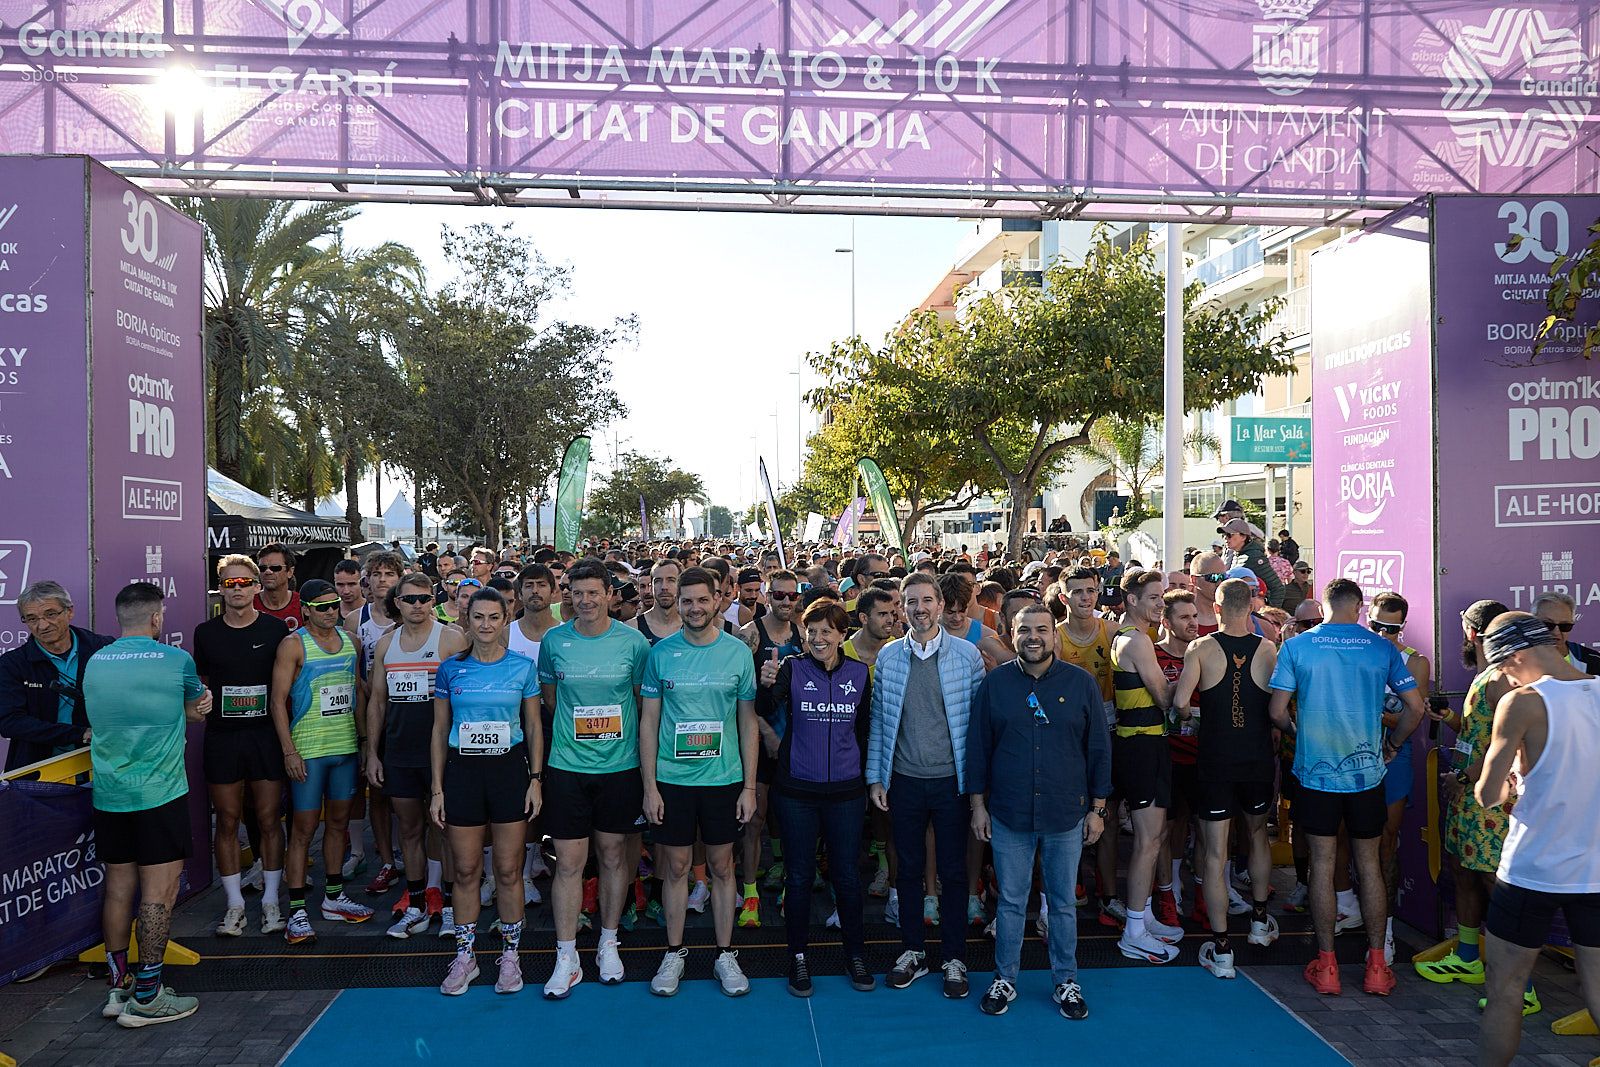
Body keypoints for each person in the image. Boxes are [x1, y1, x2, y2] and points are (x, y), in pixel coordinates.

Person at [1267, 578, 1425, 996]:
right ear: (1358, 606)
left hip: (1315, 773)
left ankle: (1328, 965)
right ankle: (1376, 966)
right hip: (1367, 775)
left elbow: (1276, 710)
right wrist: (1393, 745)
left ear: (1327, 604)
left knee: (1323, 864)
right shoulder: (1382, 648)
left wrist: (1298, 731)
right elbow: (1416, 707)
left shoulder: (1298, 646)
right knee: (1369, 864)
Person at [969, 603, 1109, 1020]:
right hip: (1009, 813)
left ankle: (1066, 980)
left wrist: (1098, 808)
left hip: (1066, 812)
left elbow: (1099, 750)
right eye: (1024, 629)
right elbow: (978, 749)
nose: (1034, 637)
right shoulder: (994, 685)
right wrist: (978, 805)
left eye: (1042, 629)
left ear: (1055, 635)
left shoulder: (1081, 683)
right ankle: (1005, 978)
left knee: (1063, 903)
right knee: (1010, 902)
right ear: (1011, 634)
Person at [1474, 612, 1600, 1066]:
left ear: (1519, 654)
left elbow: (1488, 795)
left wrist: (1512, 778)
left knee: (1505, 992)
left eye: (1503, 665)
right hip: (1596, 869)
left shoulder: (1523, 702)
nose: (1503, 676)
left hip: (1532, 867)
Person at [85, 582, 209, 1027]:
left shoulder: (96, 662)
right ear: (157, 618)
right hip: (160, 794)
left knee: (119, 888)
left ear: (121, 618)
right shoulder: (176, 660)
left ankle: (118, 989)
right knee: (159, 894)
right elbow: (198, 709)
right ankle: (150, 995)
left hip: (110, 795)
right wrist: (192, 708)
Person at [640, 566, 759, 998]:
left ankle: (725, 954)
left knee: (723, 866)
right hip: (672, 780)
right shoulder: (660, 654)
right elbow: (648, 722)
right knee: (673, 867)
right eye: (686, 600)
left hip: (723, 780)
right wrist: (650, 786)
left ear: (718, 600)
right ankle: (674, 952)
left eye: (701, 600)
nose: (693, 608)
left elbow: (747, 723)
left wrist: (748, 786)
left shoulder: (737, 653)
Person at [867, 573, 985, 998]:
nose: (919, 608)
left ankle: (954, 957)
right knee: (909, 871)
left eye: (927, 600)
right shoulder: (888, 657)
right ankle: (913, 951)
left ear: (941, 605)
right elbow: (881, 721)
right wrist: (876, 777)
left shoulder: (968, 655)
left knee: (953, 873)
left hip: (952, 783)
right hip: (904, 781)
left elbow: (977, 727)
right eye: (911, 601)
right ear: (903, 607)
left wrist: (976, 787)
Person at [538, 559, 652, 999]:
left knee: (612, 857)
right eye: (576, 592)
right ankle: (566, 956)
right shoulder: (554, 640)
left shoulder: (633, 643)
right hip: (567, 767)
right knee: (568, 863)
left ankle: (608, 942)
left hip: (620, 768)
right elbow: (551, 700)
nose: (584, 600)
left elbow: (643, 703)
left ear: (609, 594)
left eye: (593, 593)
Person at [430, 587, 544, 995]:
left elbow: (533, 726)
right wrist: (438, 789)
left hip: (508, 772)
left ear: (505, 619)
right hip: (463, 773)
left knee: (509, 871)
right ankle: (466, 956)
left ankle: (510, 957)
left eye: (494, 617)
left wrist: (536, 779)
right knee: (464, 871)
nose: (486, 625)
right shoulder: (450, 669)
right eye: (478, 617)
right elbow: (440, 730)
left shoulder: (522, 668)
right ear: (467, 620)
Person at [759, 599, 876, 996]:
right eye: (812, 631)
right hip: (797, 792)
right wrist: (766, 683)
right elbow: (764, 707)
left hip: (844, 792)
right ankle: (798, 957)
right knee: (799, 876)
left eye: (827, 631)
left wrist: (864, 779)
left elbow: (863, 731)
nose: (818, 638)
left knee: (846, 876)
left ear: (843, 635)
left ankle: (855, 954)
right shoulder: (792, 667)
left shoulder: (860, 673)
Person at [1418, 601, 1527, 1004]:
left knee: (1492, 881)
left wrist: (1465, 776)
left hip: (1490, 798)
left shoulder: (1502, 680)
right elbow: (1478, 732)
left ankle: (1522, 985)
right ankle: (1468, 957)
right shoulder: (1486, 675)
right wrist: (1448, 718)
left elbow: (1508, 741)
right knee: (1462, 869)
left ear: (1471, 633)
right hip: (1466, 794)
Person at [1173, 578, 1281, 979]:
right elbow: (1276, 703)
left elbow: (1182, 702)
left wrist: (1196, 719)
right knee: (1256, 837)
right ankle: (1258, 923)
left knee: (1215, 854)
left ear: (1216, 608)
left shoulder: (1200, 648)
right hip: (1255, 759)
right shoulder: (1268, 649)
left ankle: (1222, 952)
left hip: (1216, 760)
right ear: (1251, 607)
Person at [269, 579, 373, 945]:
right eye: (323, 607)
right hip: (309, 750)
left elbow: (358, 695)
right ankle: (296, 909)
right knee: (302, 830)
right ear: (306, 610)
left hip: (344, 748)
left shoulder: (352, 642)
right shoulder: (293, 645)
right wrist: (289, 751)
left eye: (335, 606)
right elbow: (277, 702)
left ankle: (333, 898)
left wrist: (362, 742)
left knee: (339, 825)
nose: (332, 612)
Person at [366, 573, 468, 939]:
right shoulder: (386, 644)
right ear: (397, 603)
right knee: (409, 830)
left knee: (448, 829)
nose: (418, 606)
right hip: (400, 751)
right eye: (410, 600)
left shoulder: (451, 638)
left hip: (444, 753)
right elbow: (377, 702)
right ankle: (415, 903)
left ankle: (456, 908)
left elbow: (465, 696)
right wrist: (373, 754)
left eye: (425, 599)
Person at [193, 556, 290, 937]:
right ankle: (234, 904)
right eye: (229, 584)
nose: (237, 590)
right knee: (228, 819)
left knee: (268, 819)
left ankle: (270, 901)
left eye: (244, 583)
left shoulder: (276, 628)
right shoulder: (205, 632)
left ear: (256, 587)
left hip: (264, 736)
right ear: (221, 589)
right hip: (222, 738)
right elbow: (200, 683)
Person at [1109, 570, 1184, 964]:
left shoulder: (1132, 637)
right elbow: (1164, 697)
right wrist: (1195, 664)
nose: (1161, 604)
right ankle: (1134, 929)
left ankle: (1144, 917)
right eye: (1154, 597)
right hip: (1140, 745)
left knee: (1152, 839)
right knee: (1148, 840)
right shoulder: (1136, 640)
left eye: (1162, 597)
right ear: (1133, 600)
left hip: (1144, 743)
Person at [1368, 590, 1432, 964]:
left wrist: (1372, 716)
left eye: (1391, 629)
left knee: (1387, 839)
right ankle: (1355, 908)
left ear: (1402, 627)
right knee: (1346, 836)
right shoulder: (1361, 649)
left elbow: (1414, 713)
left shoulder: (1415, 661)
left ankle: (1386, 929)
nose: (1383, 633)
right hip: (1356, 750)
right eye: (1376, 625)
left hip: (1395, 753)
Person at [740, 568, 803, 927]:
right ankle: (750, 893)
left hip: (793, 741)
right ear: (766, 595)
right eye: (778, 595)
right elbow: (743, 697)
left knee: (793, 819)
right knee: (755, 819)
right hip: (760, 741)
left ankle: (790, 888)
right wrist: (766, 733)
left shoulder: (805, 635)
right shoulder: (750, 635)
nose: (785, 601)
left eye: (791, 596)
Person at [0, 581, 112, 771]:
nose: (42, 625)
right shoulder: (12, 664)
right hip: (39, 772)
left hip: (102, 765)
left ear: (70, 611)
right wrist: (79, 734)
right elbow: (9, 723)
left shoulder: (103, 649)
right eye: (32, 618)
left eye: (50, 614)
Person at [344, 551, 404, 893]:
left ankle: (409, 853)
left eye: (389, 574)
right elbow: (353, 673)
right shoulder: (355, 619)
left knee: (411, 795)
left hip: (406, 714)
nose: (382, 580)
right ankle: (384, 858)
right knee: (376, 791)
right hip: (370, 711)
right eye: (376, 574)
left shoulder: (413, 613)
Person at [1218, 519, 1285, 609]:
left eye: (1230, 535)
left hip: (1251, 611)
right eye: (1224, 535)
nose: (1225, 538)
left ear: (1243, 537)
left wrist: (1268, 612)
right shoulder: (1237, 554)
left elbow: (1278, 588)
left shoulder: (1254, 557)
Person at [1533, 591, 1600, 675]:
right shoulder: (1519, 661)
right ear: (1533, 623)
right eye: (1548, 624)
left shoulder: (1592, 660)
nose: (1556, 632)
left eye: (1564, 626)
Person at [254, 544, 302, 630]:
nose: (268, 572)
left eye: (275, 568)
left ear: (290, 572)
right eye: (262, 568)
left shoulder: (302, 605)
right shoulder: (249, 603)